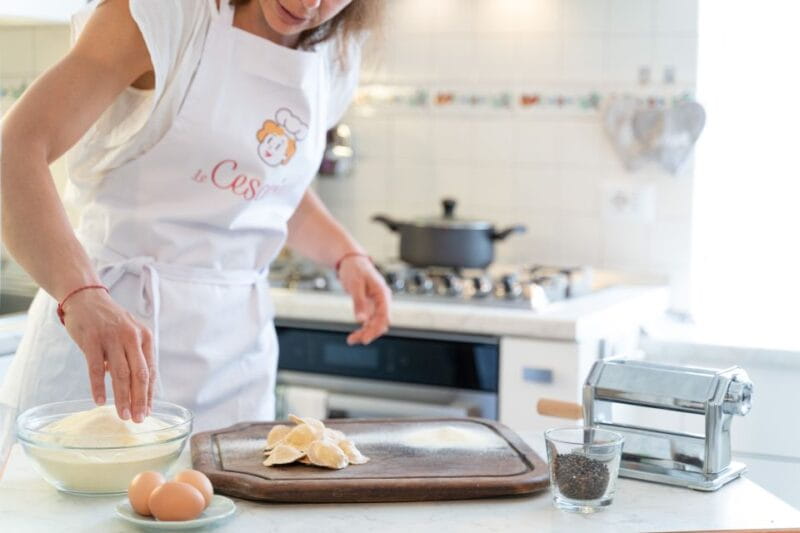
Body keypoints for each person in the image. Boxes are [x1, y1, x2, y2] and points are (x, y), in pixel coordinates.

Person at [0, 0, 389, 467]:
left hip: (235, 359)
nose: (309, 2)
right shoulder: (161, 16)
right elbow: (16, 149)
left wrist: (347, 255)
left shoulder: (334, 59)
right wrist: (80, 293)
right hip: (109, 331)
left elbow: (270, 186)